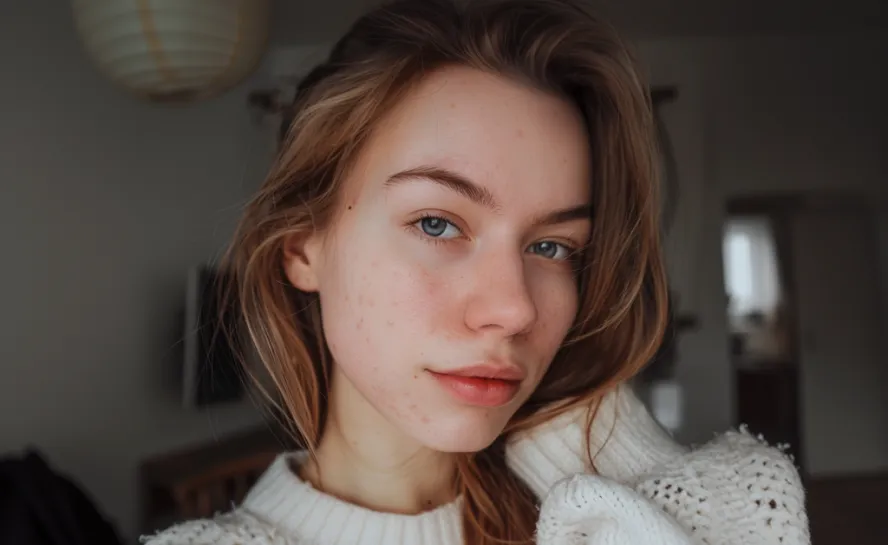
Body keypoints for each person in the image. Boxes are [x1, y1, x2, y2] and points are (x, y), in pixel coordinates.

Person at [143, 0, 809, 544]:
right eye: (437, 222)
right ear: (301, 246)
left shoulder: (598, 524)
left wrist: (611, 451)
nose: (517, 309)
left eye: (552, 246)